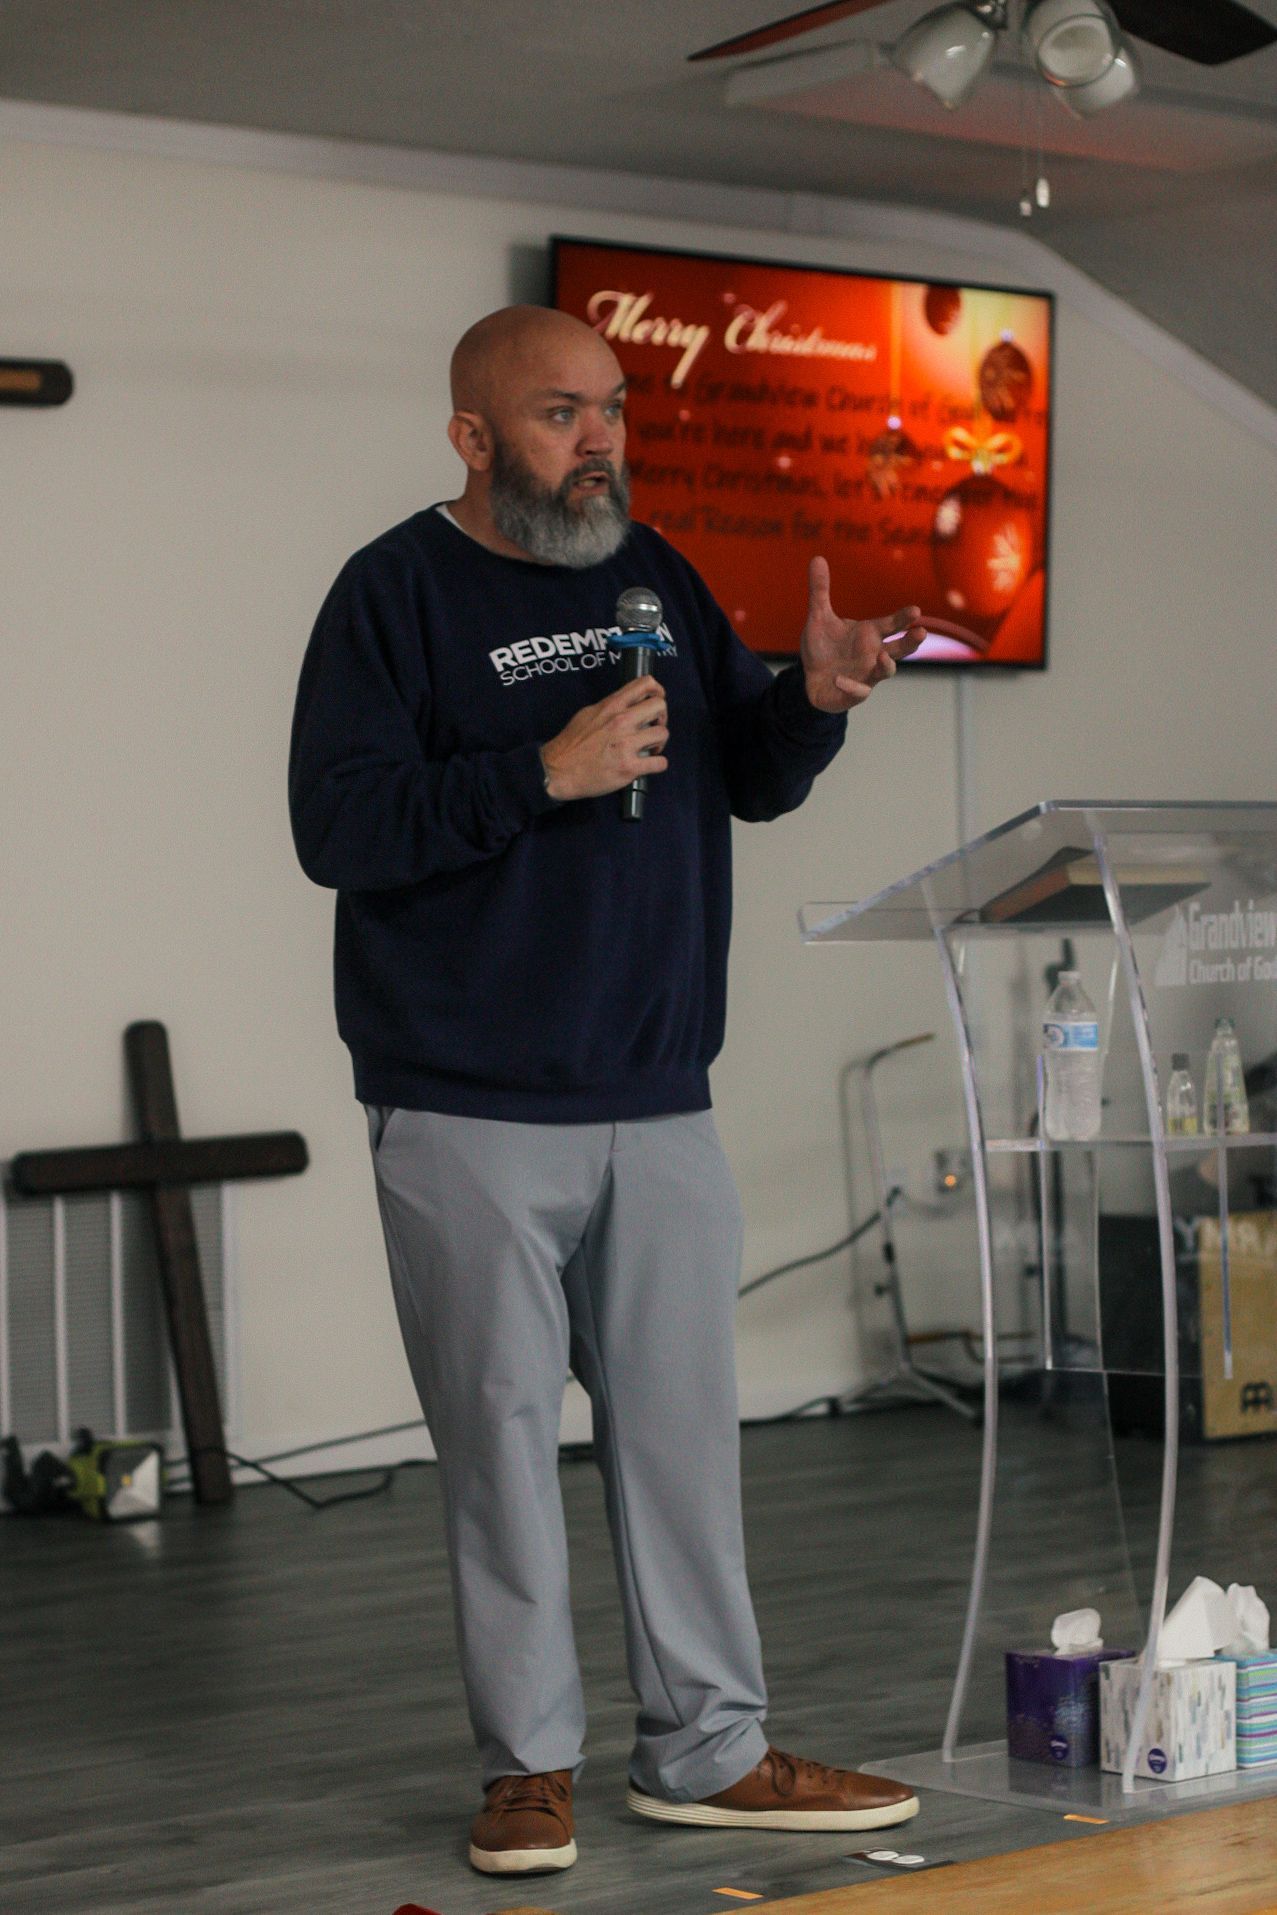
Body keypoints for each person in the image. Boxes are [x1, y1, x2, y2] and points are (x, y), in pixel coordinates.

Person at [288, 304, 926, 1878]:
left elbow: (747, 776)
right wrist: (541, 775)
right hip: (466, 1105)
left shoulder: (658, 581)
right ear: (473, 435)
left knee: (681, 1444)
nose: (601, 442)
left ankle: (707, 1748)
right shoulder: (391, 594)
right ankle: (527, 1769)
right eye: (564, 413)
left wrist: (813, 705)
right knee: (500, 1446)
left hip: (657, 1095)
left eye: (614, 410)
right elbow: (339, 829)